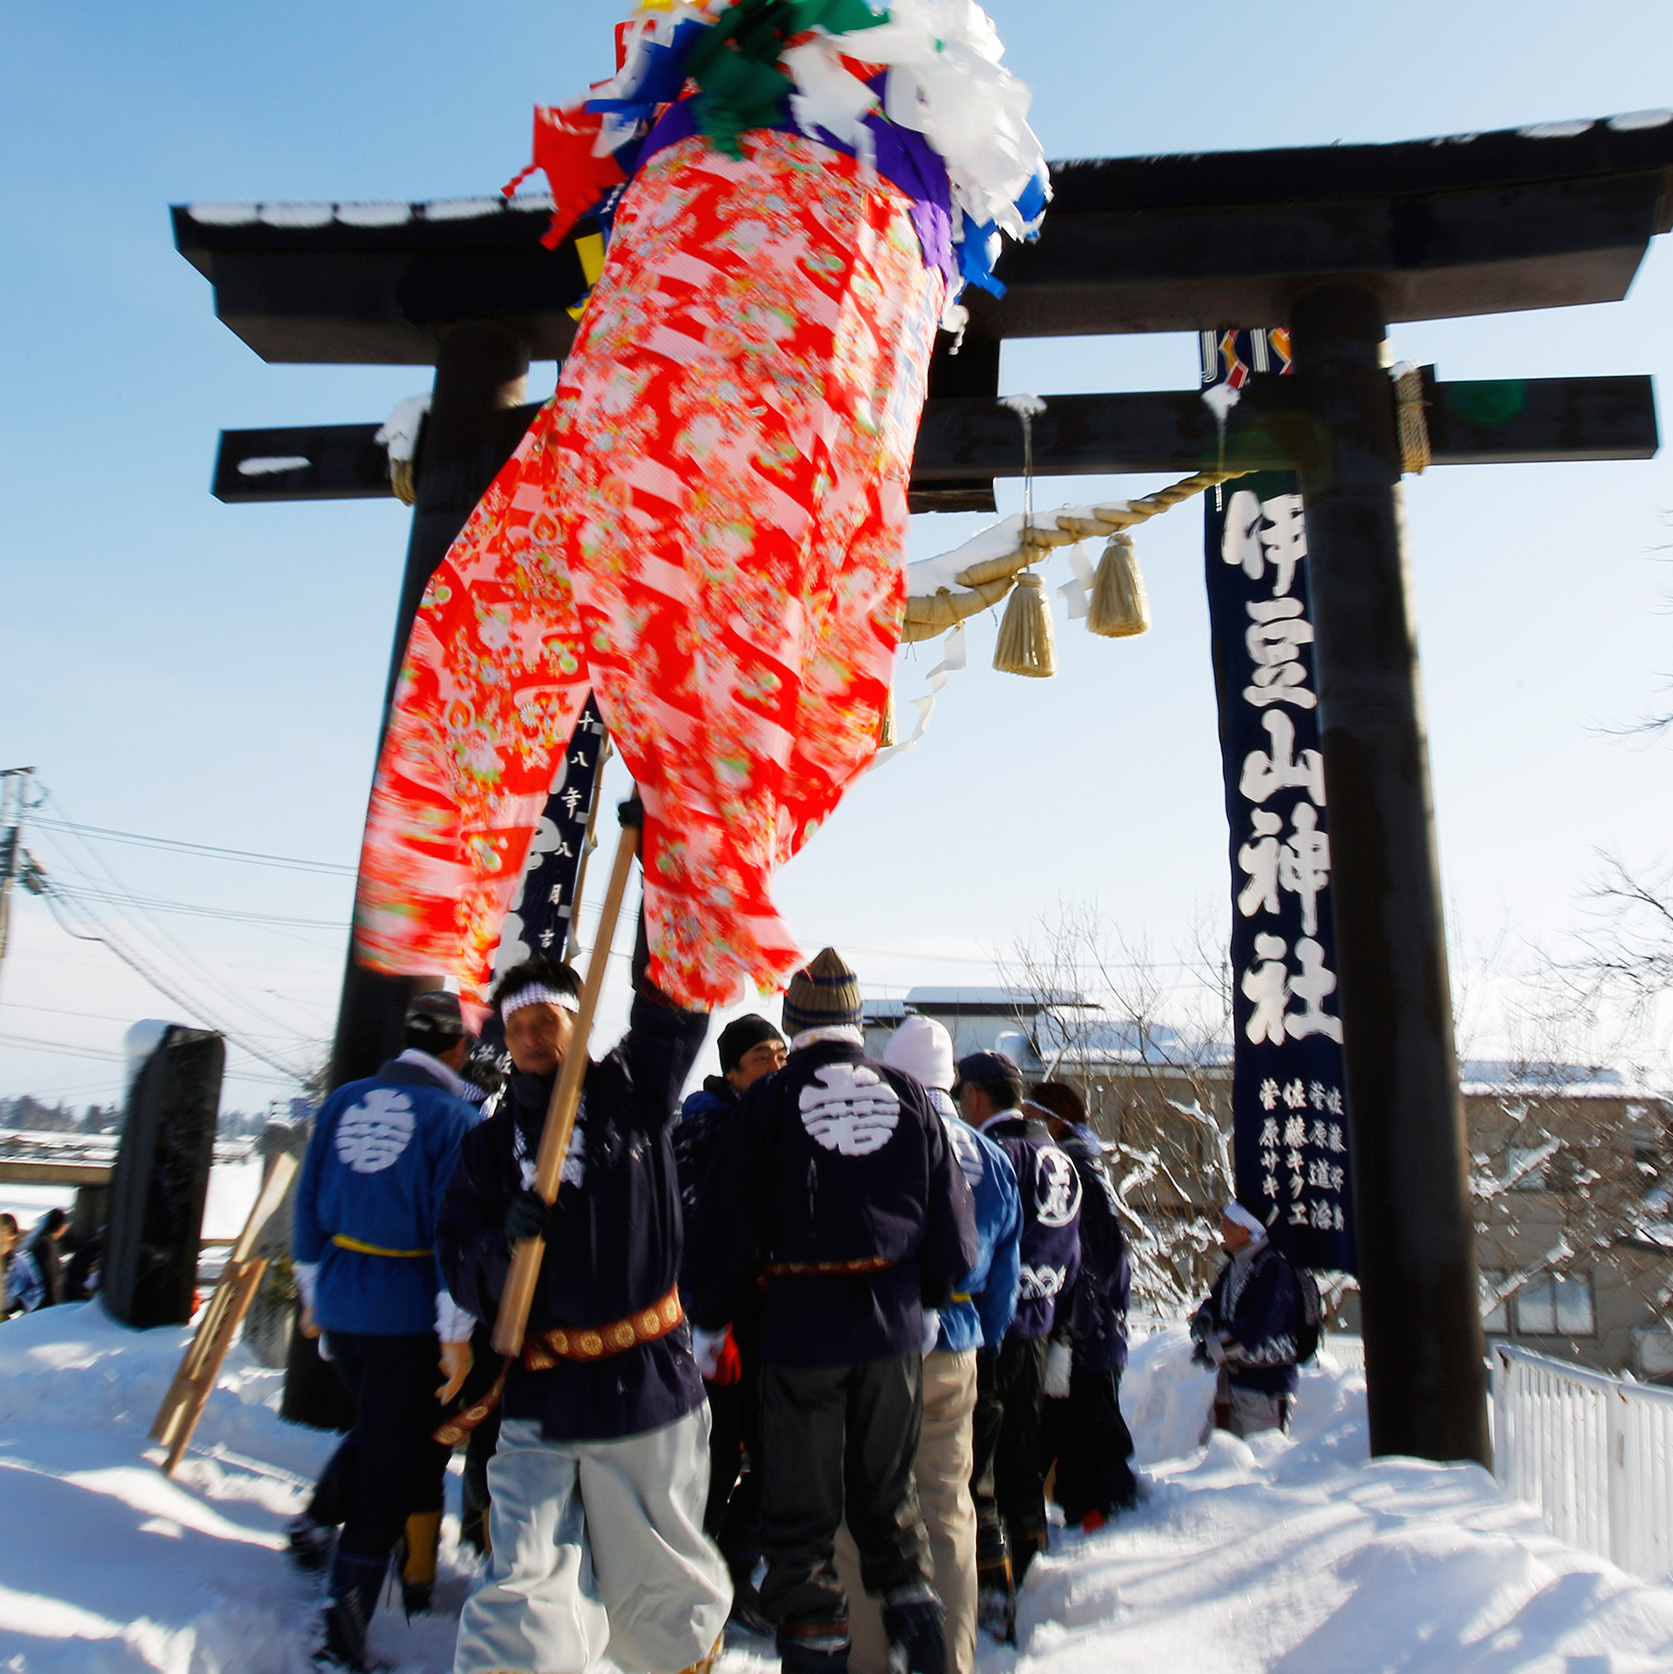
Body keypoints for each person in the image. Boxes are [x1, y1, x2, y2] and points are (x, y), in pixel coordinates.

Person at [436, 825, 731, 1674]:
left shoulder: (633, 1094)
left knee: (658, 1581)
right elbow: (455, 1251)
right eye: (519, 1022)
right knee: (522, 1573)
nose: (534, 1035)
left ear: (577, 1024)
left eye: (550, 1019)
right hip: (541, 1391)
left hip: (645, 1385)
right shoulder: (489, 1151)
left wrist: (662, 850)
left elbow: (670, 993)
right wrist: (501, 1244)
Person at [688, 951, 979, 1674]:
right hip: (894, 1331)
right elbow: (953, 1224)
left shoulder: (767, 1101)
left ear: (795, 1022)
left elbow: (730, 1222)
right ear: (855, 1021)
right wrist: (938, 1296)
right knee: (890, 1505)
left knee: (803, 1525)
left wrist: (713, 1316)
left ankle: (817, 1648)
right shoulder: (910, 1096)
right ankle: (923, 1633)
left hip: (802, 1330)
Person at [289, 990, 480, 1670]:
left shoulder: (342, 1101)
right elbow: (450, 1234)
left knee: (376, 1431)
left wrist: (313, 1292)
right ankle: (338, 1633)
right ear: (457, 1046)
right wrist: (455, 1330)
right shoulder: (454, 1119)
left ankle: (316, 1522)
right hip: (410, 1315)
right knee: (390, 1467)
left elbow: (306, 1205)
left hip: (342, 1299)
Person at [834, 1016, 1021, 1674]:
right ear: (954, 1082)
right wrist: (981, 1335)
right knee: (946, 1509)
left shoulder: (867, 1138)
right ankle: (949, 1660)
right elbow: (1006, 1276)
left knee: (861, 1510)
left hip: (875, 1342)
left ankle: (868, 1659)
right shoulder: (989, 1156)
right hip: (955, 1345)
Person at [953, 1052, 1081, 1641]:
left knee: (980, 1469)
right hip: (1043, 1322)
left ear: (976, 1098)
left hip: (992, 1330)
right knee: (1024, 1461)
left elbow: (974, 1249)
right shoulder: (1064, 1160)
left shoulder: (991, 1157)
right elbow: (1076, 1258)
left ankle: (993, 1590)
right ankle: (1035, 1570)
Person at [673, 1012, 787, 1637]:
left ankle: (735, 1568)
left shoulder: (773, 1120)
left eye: (781, 1054)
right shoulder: (703, 1131)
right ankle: (698, 1579)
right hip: (716, 1321)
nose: (777, 1066)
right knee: (715, 1456)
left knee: (774, 1453)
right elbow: (702, 1232)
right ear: (731, 1071)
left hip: (771, 1320)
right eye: (762, 1057)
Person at [1024, 1083, 1137, 1529]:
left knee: (1089, 1450)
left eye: (1032, 1114)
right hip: (1097, 1336)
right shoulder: (1086, 1170)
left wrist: (1069, 1336)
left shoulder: (1075, 1175)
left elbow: (1088, 1266)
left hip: (1085, 1343)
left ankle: (1102, 1533)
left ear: (1054, 1120)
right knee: (1075, 1443)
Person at [1190, 1200, 1303, 1438]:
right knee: (1214, 1459)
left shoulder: (1274, 1270)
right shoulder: (1238, 1264)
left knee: (1259, 1464)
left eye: (1226, 1223)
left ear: (1244, 1230)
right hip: (1231, 1385)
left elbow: (1258, 1327)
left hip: (1265, 1392)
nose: (1221, 1228)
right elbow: (1218, 1302)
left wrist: (1212, 1349)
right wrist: (1206, 1318)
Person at [3, 1207, 70, 1317]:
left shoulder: (20, 1263)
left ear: (13, 1235)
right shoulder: (45, 1245)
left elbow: (36, 1292)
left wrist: (15, 1303)